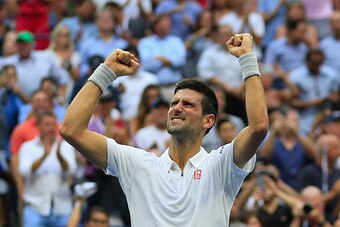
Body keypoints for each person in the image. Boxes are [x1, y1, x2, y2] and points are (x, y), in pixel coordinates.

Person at [60, 32, 269, 226]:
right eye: (174, 103)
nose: (177, 108)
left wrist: (247, 59)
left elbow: (258, 127)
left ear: (208, 121)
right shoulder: (137, 164)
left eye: (188, 104)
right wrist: (106, 72)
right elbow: (71, 129)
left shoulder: (220, 165)